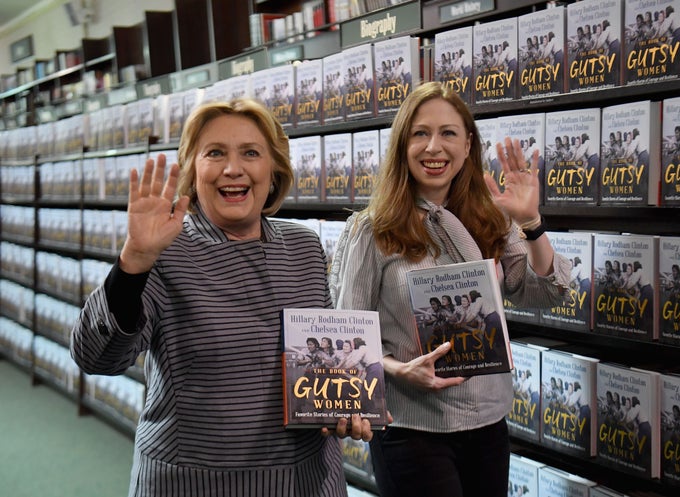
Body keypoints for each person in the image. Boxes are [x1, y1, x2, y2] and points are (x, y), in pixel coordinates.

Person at [70, 98, 372, 497]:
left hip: (309, 479)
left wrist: (343, 407)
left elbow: (321, 364)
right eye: (215, 153)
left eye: (250, 153)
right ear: (193, 170)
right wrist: (134, 261)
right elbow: (96, 356)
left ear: (273, 168)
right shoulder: (166, 251)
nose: (234, 169)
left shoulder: (304, 246)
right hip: (196, 483)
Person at [329, 82, 571, 497]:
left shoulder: (492, 217)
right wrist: (398, 369)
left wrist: (531, 223)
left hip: (489, 426)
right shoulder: (371, 229)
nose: (433, 147)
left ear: (467, 145)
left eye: (448, 133)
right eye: (420, 133)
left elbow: (546, 294)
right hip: (411, 429)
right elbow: (346, 338)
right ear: (403, 145)